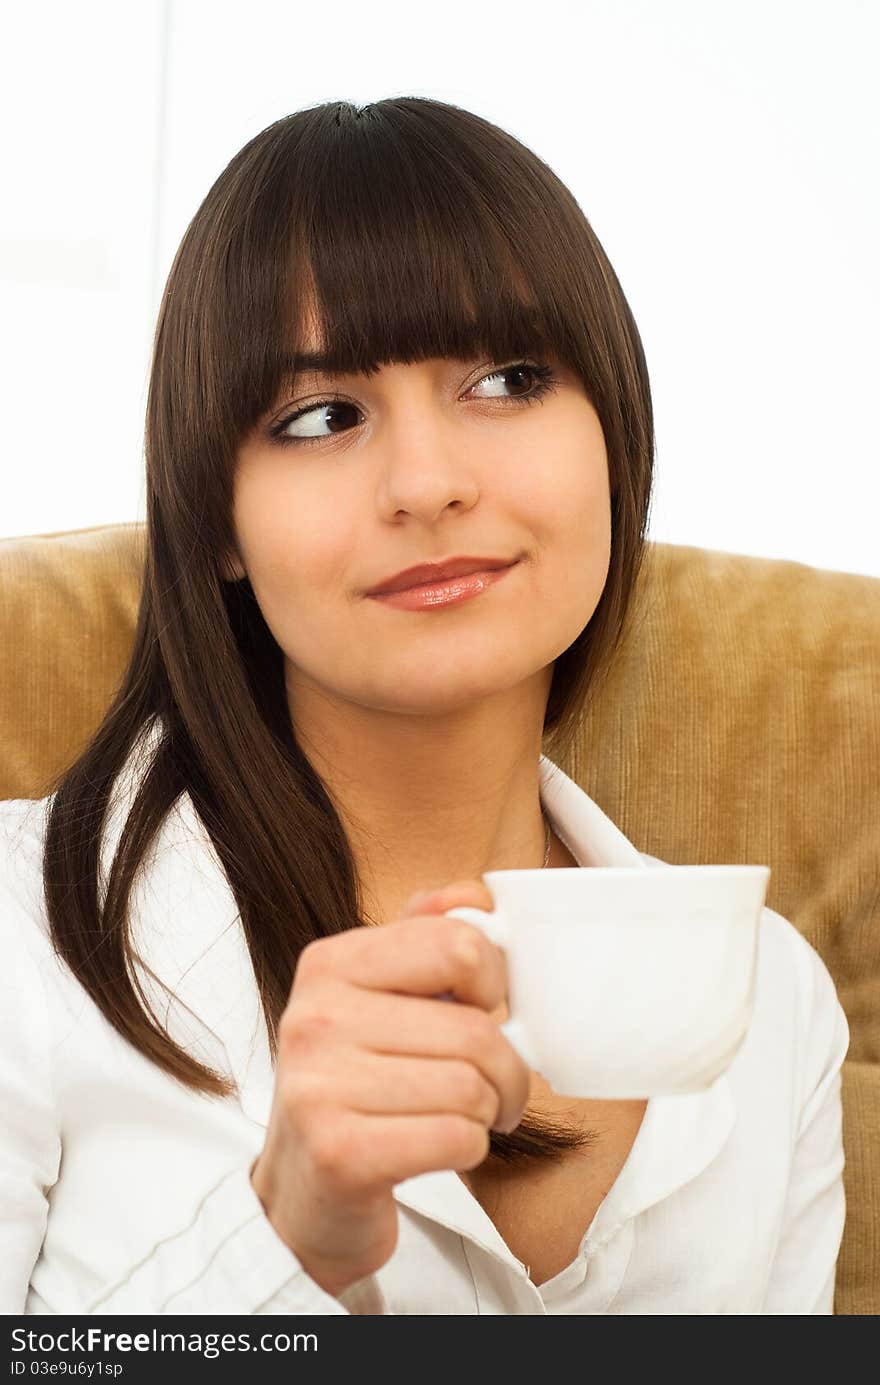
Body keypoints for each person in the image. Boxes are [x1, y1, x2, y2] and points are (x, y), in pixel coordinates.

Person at [0, 95, 848, 1316]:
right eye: (321, 416)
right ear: (218, 523)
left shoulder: (769, 998)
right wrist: (285, 1239)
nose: (427, 483)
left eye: (506, 378)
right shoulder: (27, 934)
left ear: (613, 433)